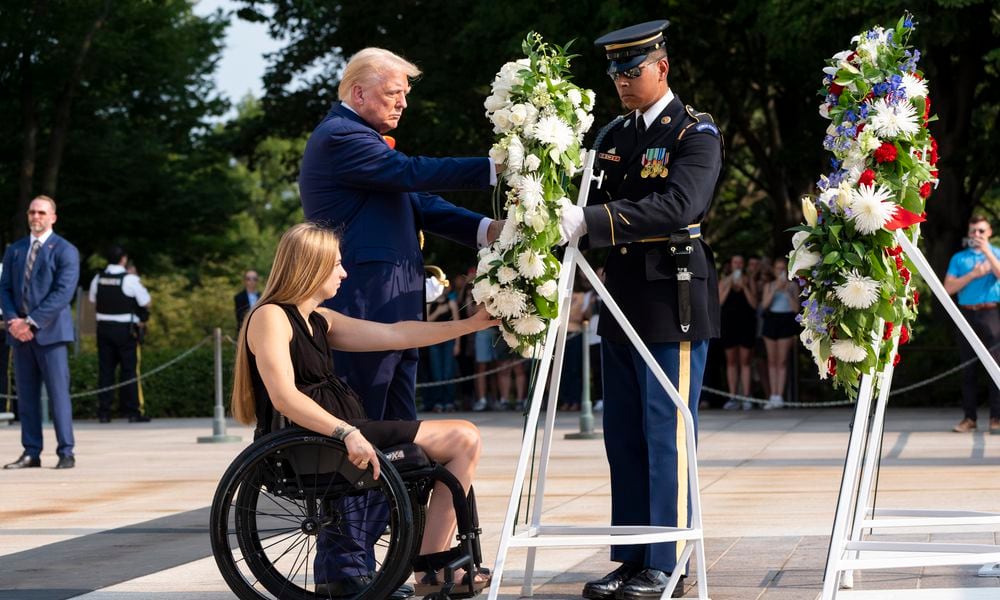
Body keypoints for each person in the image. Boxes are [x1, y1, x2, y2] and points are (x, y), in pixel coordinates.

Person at [297, 47, 501, 594]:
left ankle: (420, 562)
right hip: (363, 312)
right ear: (359, 92)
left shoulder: (366, 143)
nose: (403, 104)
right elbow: (410, 174)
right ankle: (344, 571)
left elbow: (424, 204)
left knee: (402, 446)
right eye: (394, 94)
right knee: (362, 440)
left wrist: (493, 231)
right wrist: (495, 166)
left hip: (395, 310)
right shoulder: (340, 138)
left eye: (406, 95)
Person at [230, 223, 495, 595]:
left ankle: (432, 566)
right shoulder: (270, 316)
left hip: (339, 432)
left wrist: (470, 325)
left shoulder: (319, 319)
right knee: (462, 437)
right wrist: (346, 432)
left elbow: (397, 334)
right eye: (336, 263)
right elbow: (284, 397)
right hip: (313, 442)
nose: (344, 272)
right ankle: (431, 569)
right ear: (312, 265)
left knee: (463, 440)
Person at [559, 20, 724, 599]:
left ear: (663, 67)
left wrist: (595, 222)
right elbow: (587, 199)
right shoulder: (613, 135)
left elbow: (682, 203)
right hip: (621, 296)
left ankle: (668, 560)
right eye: (615, 74)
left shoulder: (694, 132)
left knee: (665, 432)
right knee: (623, 435)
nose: (623, 83)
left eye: (633, 71)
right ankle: (633, 558)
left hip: (669, 295)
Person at [0, 195, 79, 470]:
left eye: (42, 212)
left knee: (58, 396)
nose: (36, 217)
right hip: (19, 336)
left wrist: (30, 322)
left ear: (53, 217)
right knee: (26, 397)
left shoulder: (65, 250)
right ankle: (31, 451)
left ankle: (66, 451)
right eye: (32, 212)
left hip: (51, 335)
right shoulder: (15, 250)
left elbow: (62, 294)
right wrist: (13, 320)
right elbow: (5, 288)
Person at [944, 215, 1000, 433]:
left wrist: (987, 253)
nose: (976, 235)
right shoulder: (959, 258)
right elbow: (948, 287)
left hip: (991, 313)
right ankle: (970, 418)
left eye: (981, 231)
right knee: (968, 368)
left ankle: (996, 417)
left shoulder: (996, 253)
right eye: (973, 231)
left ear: (989, 233)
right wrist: (974, 274)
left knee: (995, 367)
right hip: (966, 314)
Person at [89, 245, 152, 423]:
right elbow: (146, 302)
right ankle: (133, 411)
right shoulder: (129, 280)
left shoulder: (98, 278)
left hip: (103, 329)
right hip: (125, 331)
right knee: (130, 371)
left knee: (105, 371)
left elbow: (93, 300)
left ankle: (104, 412)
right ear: (123, 259)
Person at [718, 255, 758, 410]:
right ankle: (733, 396)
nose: (738, 265)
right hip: (729, 323)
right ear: (731, 264)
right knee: (731, 361)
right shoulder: (724, 281)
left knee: (745, 361)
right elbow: (719, 302)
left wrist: (745, 287)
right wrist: (729, 285)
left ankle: (746, 396)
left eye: (741, 262)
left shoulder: (750, 280)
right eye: (735, 262)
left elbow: (754, 304)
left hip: (746, 323)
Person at [759, 257, 800, 410]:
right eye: (778, 268)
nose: (780, 271)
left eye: (783, 268)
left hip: (786, 320)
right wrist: (776, 289)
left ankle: (779, 395)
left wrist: (786, 292)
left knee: (781, 361)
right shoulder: (769, 286)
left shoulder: (793, 286)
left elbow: (796, 309)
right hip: (772, 320)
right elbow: (764, 305)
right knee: (771, 361)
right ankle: (772, 394)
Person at [425, 281, 460, 412]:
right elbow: (426, 321)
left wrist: (457, 343)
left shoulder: (451, 302)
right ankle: (438, 402)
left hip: (449, 341)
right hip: (434, 341)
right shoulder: (430, 303)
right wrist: (438, 311)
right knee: (436, 373)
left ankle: (449, 401)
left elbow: (457, 324)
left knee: (448, 372)